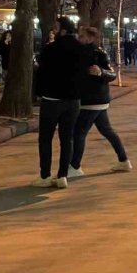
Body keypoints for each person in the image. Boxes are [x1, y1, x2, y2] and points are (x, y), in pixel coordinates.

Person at [33, 17, 90, 189]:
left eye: (56, 27)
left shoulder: (50, 49)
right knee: (67, 138)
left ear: (63, 30)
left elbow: (41, 72)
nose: (53, 30)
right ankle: (62, 175)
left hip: (52, 99)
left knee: (46, 138)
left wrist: (38, 92)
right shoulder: (81, 49)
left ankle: (45, 175)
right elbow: (85, 74)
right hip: (73, 101)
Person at [69, 27, 132, 176]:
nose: (79, 38)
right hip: (97, 99)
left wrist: (100, 72)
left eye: (82, 36)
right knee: (106, 130)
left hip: (92, 99)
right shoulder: (86, 52)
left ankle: (75, 166)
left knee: (79, 133)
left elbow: (112, 74)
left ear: (90, 38)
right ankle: (123, 160)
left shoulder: (95, 53)